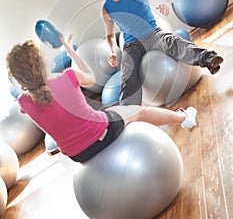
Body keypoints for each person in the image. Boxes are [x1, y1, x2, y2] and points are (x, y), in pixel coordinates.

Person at [6, 35, 197, 164]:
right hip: (102, 133)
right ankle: (184, 118)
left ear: (18, 77)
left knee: (114, 114)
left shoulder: (24, 102)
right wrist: (72, 53)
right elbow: (91, 78)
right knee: (138, 111)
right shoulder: (68, 76)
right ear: (42, 64)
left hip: (77, 155)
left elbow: (42, 99)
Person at [93, 0, 224, 106]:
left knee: (174, 43)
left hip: (153, 34)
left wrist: (167, 3)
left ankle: (208, 58)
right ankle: (128, 110)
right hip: (132, 44)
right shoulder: (106, 9)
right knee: (127, 74)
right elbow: (110, 35)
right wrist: (112, 52)